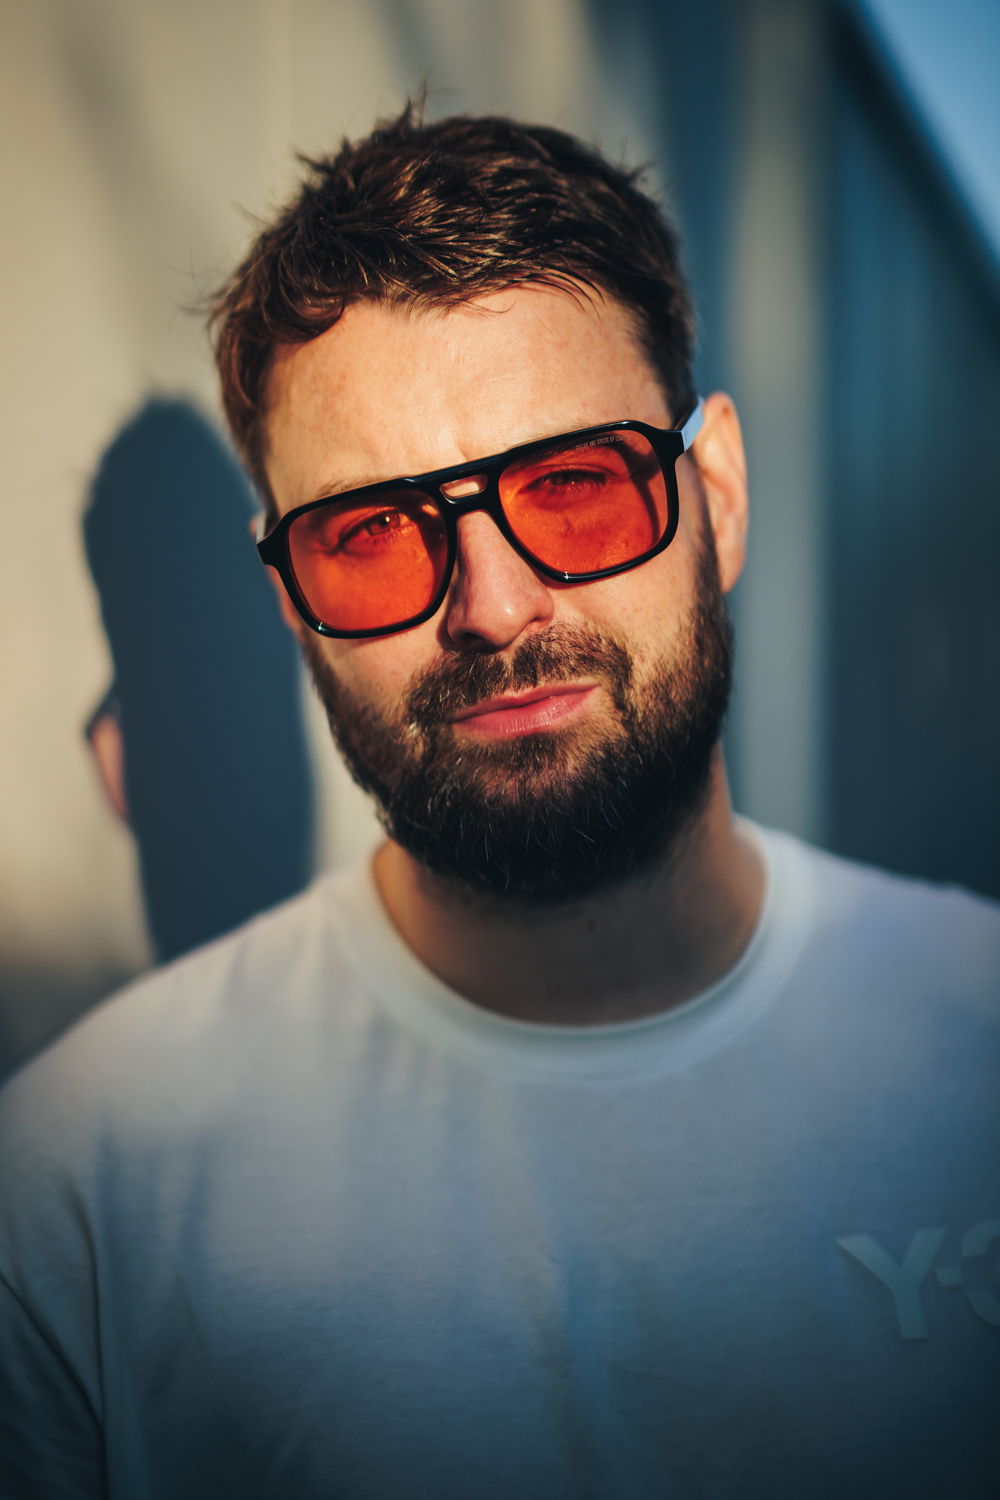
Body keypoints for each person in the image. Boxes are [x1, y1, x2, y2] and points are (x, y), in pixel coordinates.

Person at [1, 107, 997, 1500]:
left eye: (575, 487)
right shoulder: (69, 1199)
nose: (495, 606)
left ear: (717, 498)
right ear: (290, 598)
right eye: (370, 536)